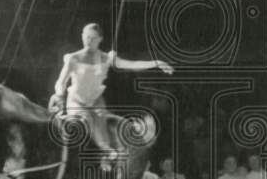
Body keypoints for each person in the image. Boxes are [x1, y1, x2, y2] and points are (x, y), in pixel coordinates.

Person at [50, 23, 174, 156]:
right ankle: (66, 121)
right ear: (82, 36)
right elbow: (61, 81)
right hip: (76, 100)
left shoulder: (106, 59)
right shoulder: (73, 58)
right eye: (86, 37)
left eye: (93, 38)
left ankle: (122, 140)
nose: (89, 41)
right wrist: (58, 95)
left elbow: (131, 65)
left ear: (100, 39)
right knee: (85, 120)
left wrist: (156, 63)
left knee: (104, 135)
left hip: (95, 100)